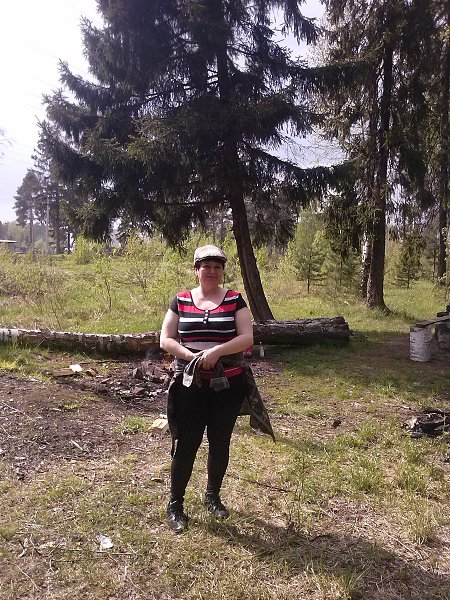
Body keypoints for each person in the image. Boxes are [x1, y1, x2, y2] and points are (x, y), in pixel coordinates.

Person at [160, 244, 273, 534]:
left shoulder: (235, 300)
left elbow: (247, 337)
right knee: (187, 444)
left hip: (228, 386)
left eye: (217, 266)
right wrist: (193, 357)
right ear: (196, 270)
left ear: (222, 271)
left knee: (220, 441)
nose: (212, 271)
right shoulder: (181, 300)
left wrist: (217, 352)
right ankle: (175, 504)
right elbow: (166, 339)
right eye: (206, 266)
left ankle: (212, 496)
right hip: (190, 385)